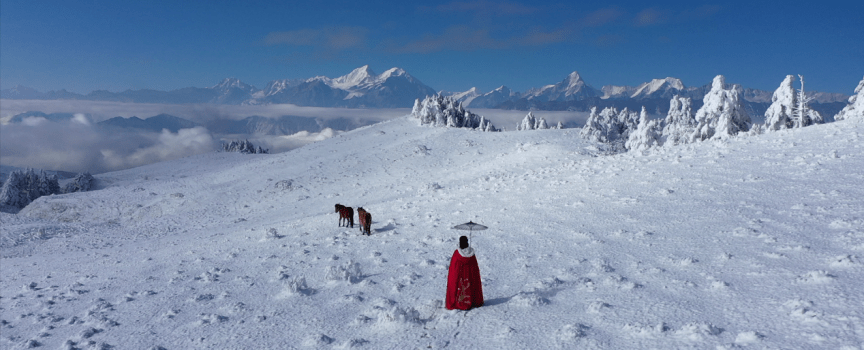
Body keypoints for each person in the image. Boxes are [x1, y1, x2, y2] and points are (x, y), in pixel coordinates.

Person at [445, 236, 484, 310]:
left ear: (460, 242)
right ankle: (472, 301)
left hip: (459, 276)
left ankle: (457, 303)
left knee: (458, 286)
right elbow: (474, 268)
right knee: (471, 284)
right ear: (467, 242)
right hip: (469, 276)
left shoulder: (457, 253)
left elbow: (454, 268)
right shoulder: (471, 254)